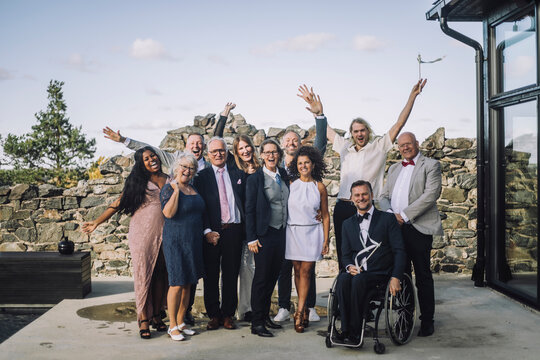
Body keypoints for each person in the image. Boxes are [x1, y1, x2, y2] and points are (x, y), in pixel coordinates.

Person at [297, 80, 427, 270]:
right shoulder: (344, 147)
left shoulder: (379, 147)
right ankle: (346, 291)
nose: (359, 134)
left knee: (372, 254)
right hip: (344, 207)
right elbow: (325, 130)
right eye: (356, 131)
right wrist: (319, 113)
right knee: (345, 253)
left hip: (367, 207)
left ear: (368, 132)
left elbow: (399, 124)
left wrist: (412, 97)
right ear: (351, 133)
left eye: (362, 130)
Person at [82, 147, 169, 339]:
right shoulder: (138, 181)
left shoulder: (168, 177)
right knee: (144, 274)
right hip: (143, 233)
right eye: (146, 158)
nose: (151, 159)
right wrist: (97, 221)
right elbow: (118, 203)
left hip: (167, 233)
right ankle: (143, 318)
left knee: (161, 274)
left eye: (153, 155)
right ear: (141, 163)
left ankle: (156, 315)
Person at [377, 132, 443, 337]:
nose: (405, 148)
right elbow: (383, 196)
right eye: (401, 145)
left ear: (417, 144)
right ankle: (404, 320)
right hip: (396, 230)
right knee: (400, 275)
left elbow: (430, 195)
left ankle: (427, 321)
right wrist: (391, 216)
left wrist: (404, 216)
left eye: (408, 144)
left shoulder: (430, 165)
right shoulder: (395, 167)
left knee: (422, 276)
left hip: (418, 228)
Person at [274, 94, 328, 324]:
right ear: (282, 145)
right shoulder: (278, 168)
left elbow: (321, 144)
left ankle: (307, 307)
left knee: (307, 269)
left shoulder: (309, 168)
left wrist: (319, 116)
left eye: (295, 140)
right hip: (288, 228)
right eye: (287, 140)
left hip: (308, 228)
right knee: (287, 269)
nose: (291, 143)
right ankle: (285, 306)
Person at [336, 180, 406, 343]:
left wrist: (396, 277)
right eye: (357, 195)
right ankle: (345, 330)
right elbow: (345, 255)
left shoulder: (388, 219)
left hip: (380, 274)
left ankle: (354, 333)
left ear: (372, 195)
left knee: (358, 280)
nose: (361, 198)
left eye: (364, 194)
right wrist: (349, 266)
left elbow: (399, 251)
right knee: (343, 278)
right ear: (352, 198)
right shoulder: (347, 224)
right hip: (358, 273)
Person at [193, 137, 246, 331]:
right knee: (211, 276)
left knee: (231, 275)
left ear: (226, 153)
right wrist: (206, 231)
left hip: (234, 230)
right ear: (208, 154)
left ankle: (228, 315)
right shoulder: (202, 177)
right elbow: (201, 208)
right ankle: (214, 315)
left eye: (221, 151)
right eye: (214, 151)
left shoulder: (238, 174)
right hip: (212, 233)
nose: (218, 154)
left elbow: (246, 202)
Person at [213, 104, 261, 322]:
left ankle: (247, 308)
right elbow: (216, 138)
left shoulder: (260, 168)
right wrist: (224, 115)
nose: (245, 151)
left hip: (255, 226)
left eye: (247, 147)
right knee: (238, 269)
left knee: (249, 270)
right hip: (238, 228)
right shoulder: (234, 167)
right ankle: (234, 311)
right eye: (240, 148)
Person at [246, 138, 289, 337]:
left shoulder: (285, 175)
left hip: (281, 233)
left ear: (279, 155)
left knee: (273, 276)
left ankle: (265, 316)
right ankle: (256, 323)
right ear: (261, 155)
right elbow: (249, 210)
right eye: (267, 152)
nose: (271, 156)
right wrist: (251, 238)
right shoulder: (256, 178)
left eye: (274, 152)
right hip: (264, 234)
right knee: (262, 278)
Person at [160, 152, 205, 341]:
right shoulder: (169, 188)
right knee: (177, 283)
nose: (187, 171)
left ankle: (180, 322)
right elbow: (168, 213)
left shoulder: (194, 188)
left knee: (188, 283)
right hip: (175, 241)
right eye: (184, 167)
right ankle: (172, 326)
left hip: (193, 241)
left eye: (191, 168)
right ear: (177, 168)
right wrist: (177, 190)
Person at [285, 146, 330, 333]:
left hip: (312, 233)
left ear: (313, 165)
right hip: (293, 232)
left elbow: (326, 215)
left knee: (306, 271)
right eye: (300, 163)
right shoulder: (290, 185)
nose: (303, 166)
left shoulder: (319, 187)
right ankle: (301, 307)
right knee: (297, 270)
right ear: (297, 165)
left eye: (307, 163)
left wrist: (326, 240)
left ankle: (300, 310)